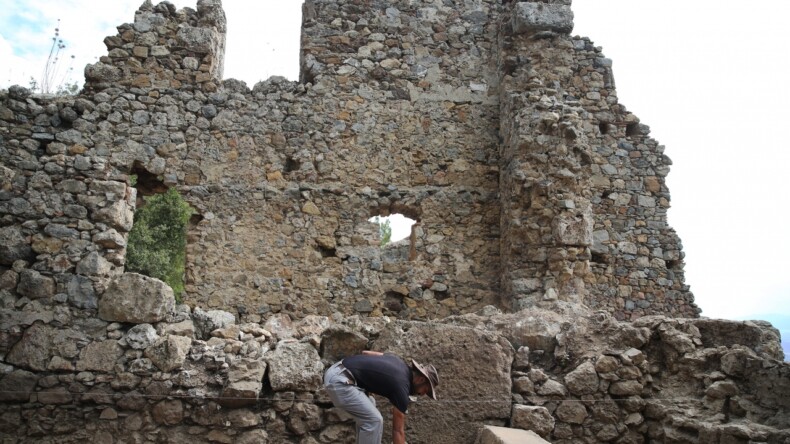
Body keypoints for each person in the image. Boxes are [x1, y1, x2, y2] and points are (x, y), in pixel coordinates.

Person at [323, 350, 439, 444]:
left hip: (337, 370)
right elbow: (397, 431)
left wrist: (367, 377)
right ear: (421, 379)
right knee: (374, 420)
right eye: (426, 390)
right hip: (340, 382)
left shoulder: (396, 360)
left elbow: (366, 353)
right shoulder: (402, 387)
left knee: (371, 403)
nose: (423, 394)